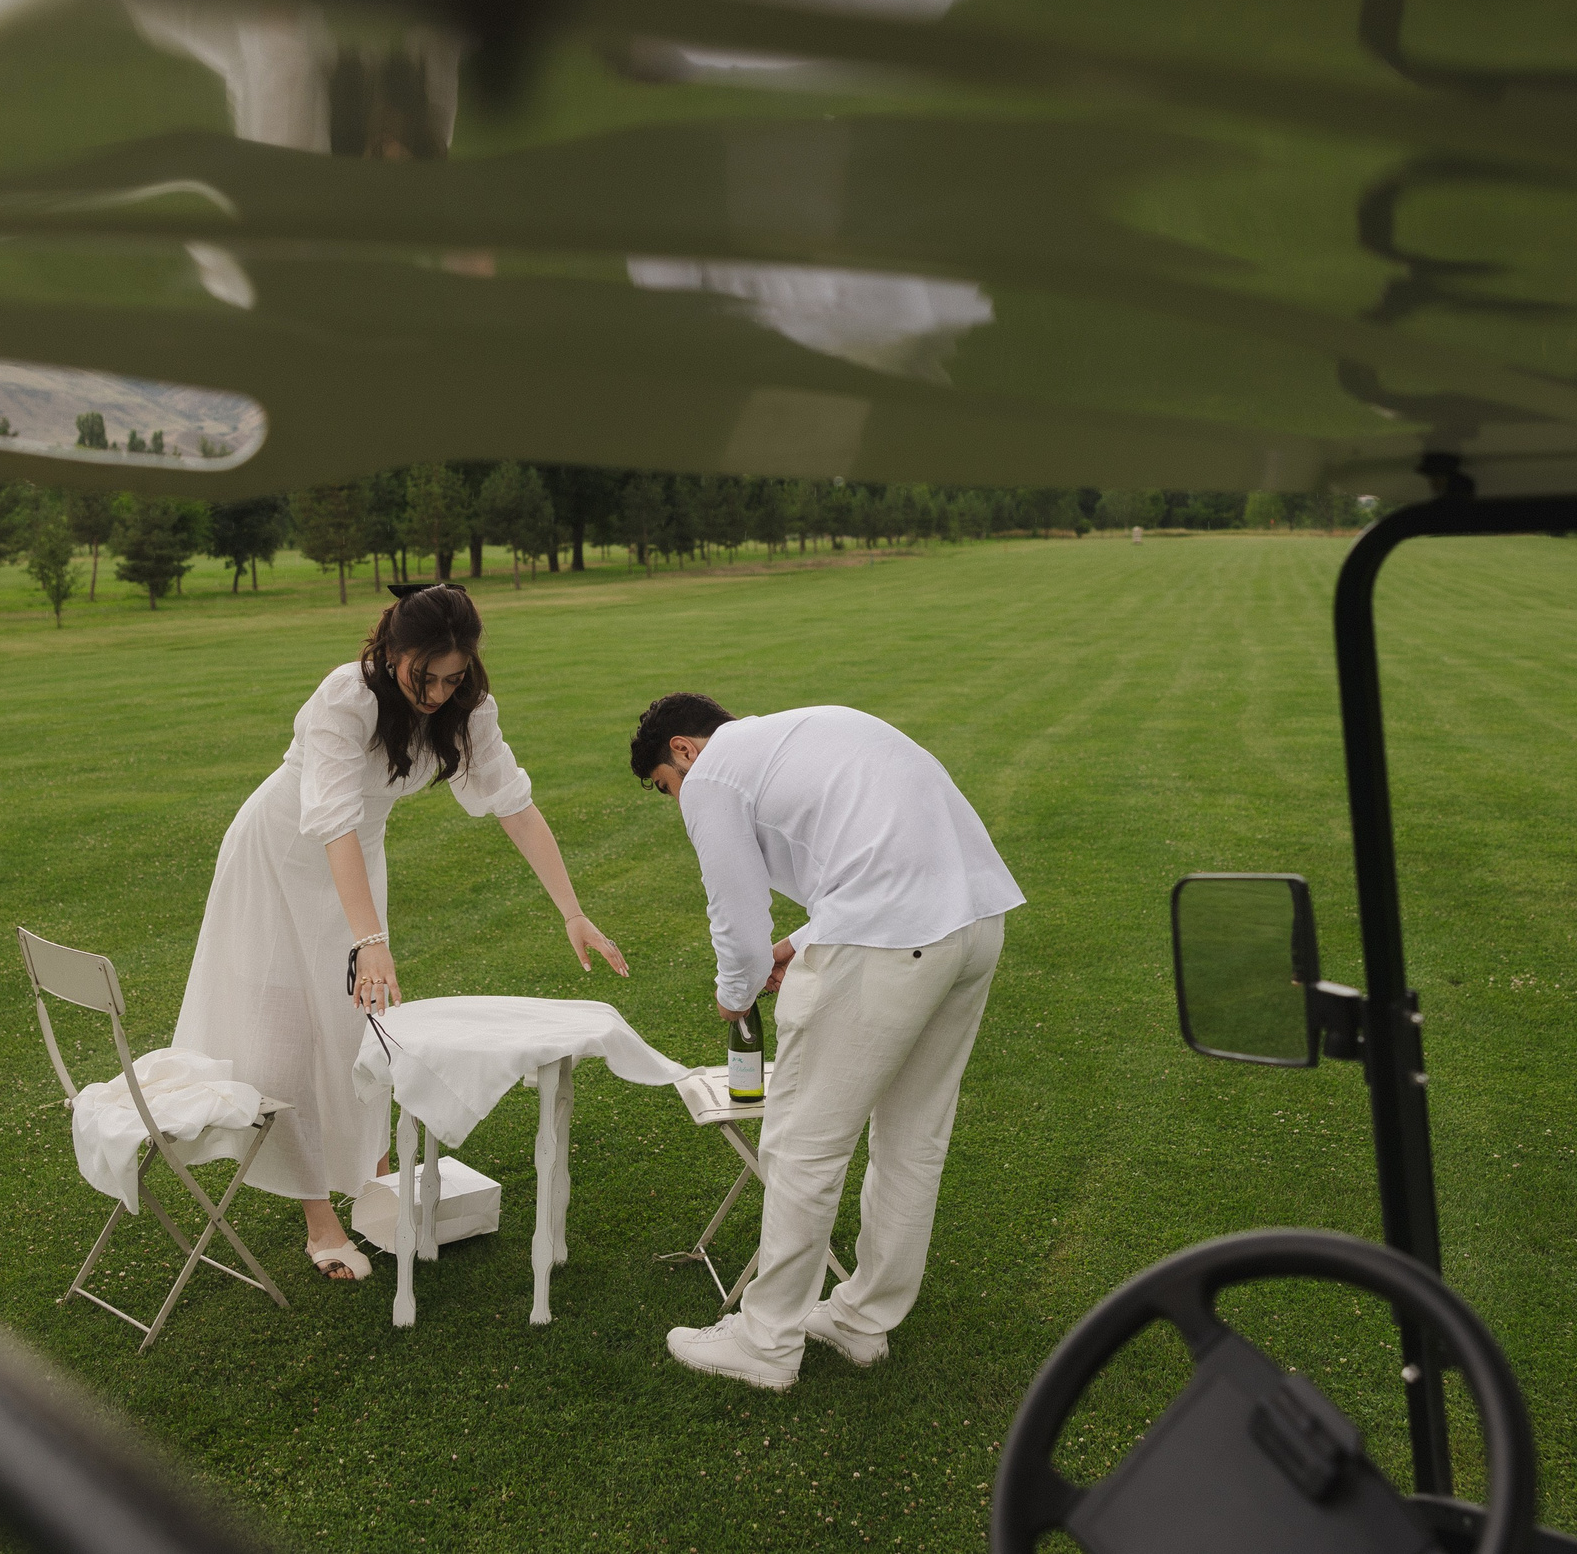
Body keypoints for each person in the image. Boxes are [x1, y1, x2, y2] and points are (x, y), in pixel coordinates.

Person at [173, 585, 628, 1281]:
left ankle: (375, 1183)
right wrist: (369, 938)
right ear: (392, 650)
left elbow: (515, 805)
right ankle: (319, 1220)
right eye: (428, 675)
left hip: (357, 866)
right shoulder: (344, 698)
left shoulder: (470, 706)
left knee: (361, 1033)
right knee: (287, 1040)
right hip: (279, 858)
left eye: (454, 676)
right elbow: (332, 820)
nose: (440, 692)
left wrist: (571, 909)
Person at [632, 692, 1023, 1388]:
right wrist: (803, 942)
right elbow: (881, 855)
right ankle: (862, 1319)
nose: (677, 800)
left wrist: (737, 989)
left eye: (668, 786)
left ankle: (767, 1341)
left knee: (802, 1140)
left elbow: (736, 913)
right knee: (913, 1136)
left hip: (893, 935)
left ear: (684, 750)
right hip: (974, 921)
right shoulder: (811, 727)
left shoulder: (714, 774)